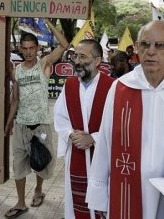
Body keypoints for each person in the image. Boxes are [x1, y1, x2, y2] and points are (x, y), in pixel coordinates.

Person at [86, 20, 164, 219]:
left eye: (160, 45)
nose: (151, 51)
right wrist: (99, 194)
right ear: (136, 48)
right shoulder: (120, 89)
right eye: (145, 44)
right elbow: (104, 141)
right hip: (127, 187)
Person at [4, 19, 69, 218]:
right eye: (25, 48)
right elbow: (15, 100)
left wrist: (48, 22)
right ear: (21, 49)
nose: (28, 52)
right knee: (19, 166)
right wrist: (8, 125)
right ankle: (21, 202)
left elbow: (65, 45)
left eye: (32, 48)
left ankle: (39, 190)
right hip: (22, 125)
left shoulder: (44, 64)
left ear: (37, 48)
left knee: (41, 161)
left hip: (41, 125)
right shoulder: (17, 71)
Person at [54, 39, 114, 219]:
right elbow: (60, 116)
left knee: (104, 206)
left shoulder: (112, 87)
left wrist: (94, 138)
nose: (77, 61)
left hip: (104, 156)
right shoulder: (69, 86)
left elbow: (119, 124)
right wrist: (71, 134)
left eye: (83, 56)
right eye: (75, 56)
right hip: (77, 154)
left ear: (97, 61)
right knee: (78, 206)